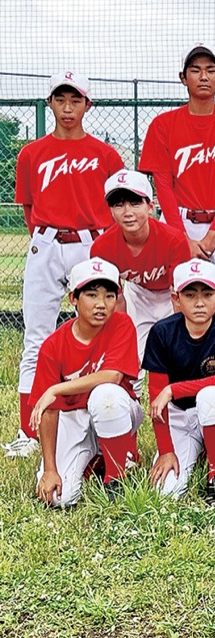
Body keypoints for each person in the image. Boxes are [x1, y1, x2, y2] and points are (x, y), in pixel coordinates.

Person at [9, 71, 124, 458]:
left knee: (101, 335)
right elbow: (27, 204)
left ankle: (105, 420)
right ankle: (30, 431)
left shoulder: (106, 155)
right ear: (50, 104)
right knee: (37, 340)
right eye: (61, 99)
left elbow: (118, 205)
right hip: (47, 241)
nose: (68, 107)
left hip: (91, 244)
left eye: (76, 100)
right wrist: (43, 238)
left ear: (87, 105)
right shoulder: (31, 153)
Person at [137, 43, 215, 307]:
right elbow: (163, 186)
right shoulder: (163, 125)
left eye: (210, 70)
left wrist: (214, 234)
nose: (203, 76)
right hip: (179, 220)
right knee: (177, 297)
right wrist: (181, 237)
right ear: (183, 78)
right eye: (195, 70)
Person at [29, 258, 141, 506]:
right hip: (73, 417)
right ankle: (96, 460)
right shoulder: (53, 346)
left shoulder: (121, 324)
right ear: (73, 299)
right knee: (59, 498)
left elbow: (112, 376)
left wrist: (56, 388)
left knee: (106, 396)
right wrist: (50, 468)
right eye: (91, 295)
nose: (101, 304)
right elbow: (50, 410)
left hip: (118, 410)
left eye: (109, 296)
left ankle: (116, 477)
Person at [143, 260, 215, 505]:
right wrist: (166, 450)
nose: (199, 302)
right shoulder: (162, 332)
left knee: (211, 394)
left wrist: (173, 389)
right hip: (179, 416)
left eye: (207, 294)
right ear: (175, 299)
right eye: (190, 295)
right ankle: (198, 449)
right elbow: (157, 402)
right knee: (166, 491)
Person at [90, 170, 190, 361]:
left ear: (150, 206)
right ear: (110, 210)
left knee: (177, 354)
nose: (127, 212)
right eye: (118, 205)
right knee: (131, 358)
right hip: (138, 294)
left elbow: (180, 296)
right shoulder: (102, 247)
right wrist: (120, 338)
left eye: (135, 203)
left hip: (171, 296)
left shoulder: (173, 240)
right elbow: (116, 300)